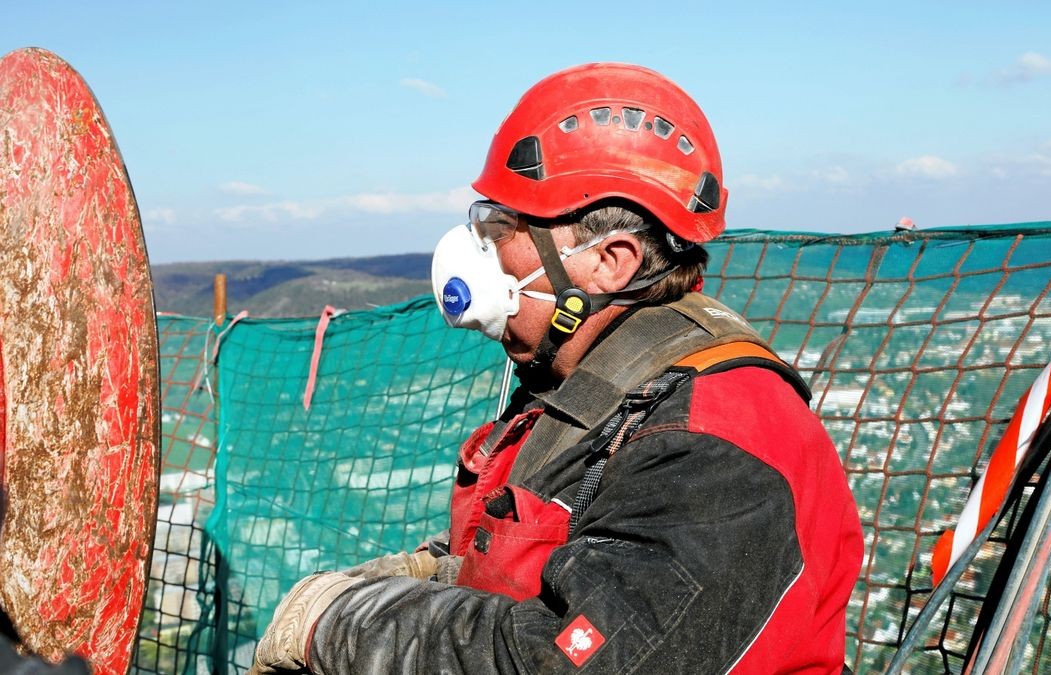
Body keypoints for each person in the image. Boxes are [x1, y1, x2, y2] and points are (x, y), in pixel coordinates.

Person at [252, 62, 862, 674]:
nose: (482, 249)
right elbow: (571, 546)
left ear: (609, 263)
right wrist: (440, 571)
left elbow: (567, 660)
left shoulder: (714, 448)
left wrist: (341, 626)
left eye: (506, 225)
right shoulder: (595, 387)